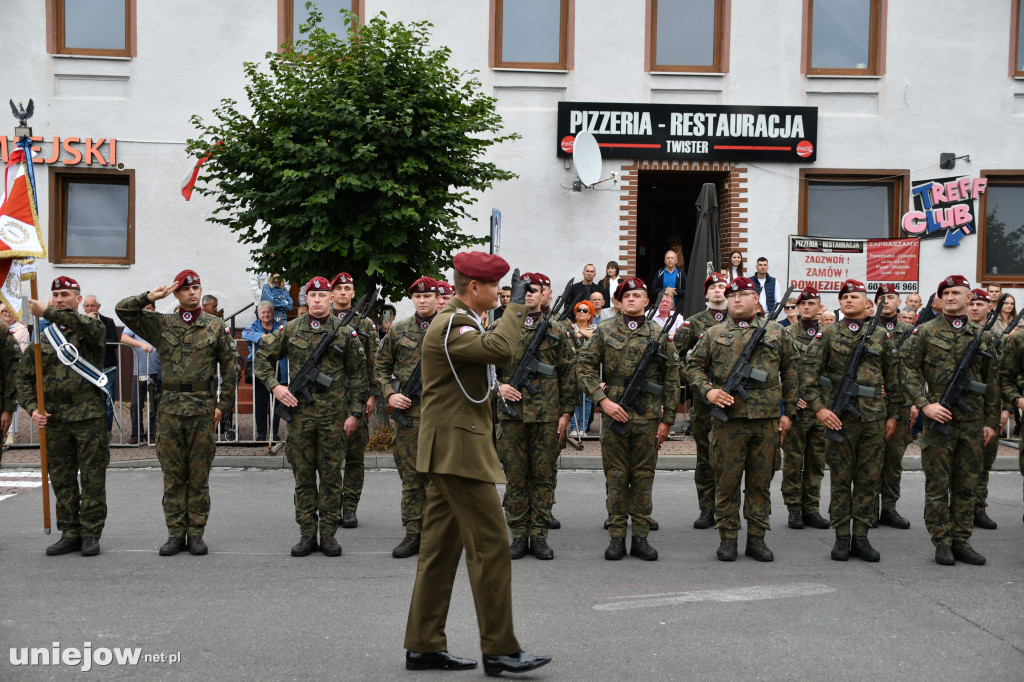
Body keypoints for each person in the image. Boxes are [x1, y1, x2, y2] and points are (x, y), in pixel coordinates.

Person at [403, 252, 549, 676]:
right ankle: (500, 649)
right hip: (458, 452)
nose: (500, 293)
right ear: (474, 289)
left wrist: (506, 308)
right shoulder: (455, 324)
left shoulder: (462, 320)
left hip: (453, 448)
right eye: (496, 288)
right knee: (490, 545)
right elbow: (502, 349)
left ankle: (424, 645)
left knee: (438, 551)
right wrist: (517, 307)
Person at [116, 269, 238, 556]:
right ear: (176, 293)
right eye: (185, 288)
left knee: (198, 476)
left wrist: (223, 405)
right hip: (170, 410)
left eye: (196, 287)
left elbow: (231, 368)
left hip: (202, 409)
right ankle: (174, 534)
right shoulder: (162, 324)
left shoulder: (216, 326)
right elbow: (122, 310)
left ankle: (195, 534)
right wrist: (149, 296)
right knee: (172, 476)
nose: (192, 292)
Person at [686, 276, 797, 563]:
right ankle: (728, 538)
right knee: (726, 481)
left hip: (766, 420)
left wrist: (790, 413)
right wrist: (709, 391)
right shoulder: (713, 333)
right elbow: (693, 367)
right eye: (733, 295)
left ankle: (757, 539)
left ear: (756, 300)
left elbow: (792, 372)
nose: (737, 299)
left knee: (761, 482)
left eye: (744, 294)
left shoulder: (776, 332)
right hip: (728, 421)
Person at [255, 276, 366, 557]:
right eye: (312, 295)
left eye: (322, 295)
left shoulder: (345, 334)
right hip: (301, 416)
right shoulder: (290, 329)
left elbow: (357, 376)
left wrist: (354, 413)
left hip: (333, 418)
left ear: (331, 298)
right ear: (307, 299)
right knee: (303, 477)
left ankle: (328, 534)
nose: (317, 300)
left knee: (330, 478)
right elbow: (262, 359)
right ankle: (307, 534)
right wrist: (276, 386)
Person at [578, 277, 679, 561]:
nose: (632, 299)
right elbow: (583, 367)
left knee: (644, 477)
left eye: (638, 295)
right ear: (619, 302)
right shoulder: (605, 331)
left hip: (647, 418)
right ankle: (616, 537)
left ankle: (641, 538)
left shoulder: (658, 334)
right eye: (627, 296)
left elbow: (672, 377)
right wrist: (603, 402)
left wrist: (667, 420)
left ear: (648, 302)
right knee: (617, 477)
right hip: (615, 417)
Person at [902, 275, 998, 566]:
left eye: (957, 292)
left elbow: (992, 382)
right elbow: (906, 370)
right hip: (939, 421)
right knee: (938, 486)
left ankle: (962, 540)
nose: (951, 296)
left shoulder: (984, 336)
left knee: (967, 485)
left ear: (970, 298)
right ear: (939, 299)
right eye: (946, 292)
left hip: (972, 422)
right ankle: (942, 542)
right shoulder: (925, 332)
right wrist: (925, 404)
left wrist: (991, 422)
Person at [803, 280, 899, 562]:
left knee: (869, 480)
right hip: (840, 420)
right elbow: (807, 379)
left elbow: (895, 381)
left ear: (866, 302)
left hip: (873, 420)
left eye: (854, 296)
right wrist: (820, 410)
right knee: (842, 480)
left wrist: (894, 415)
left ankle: (862, 537)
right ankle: (842, 537)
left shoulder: (881, 336)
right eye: (844, 296)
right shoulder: (828, 334)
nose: (848, 300)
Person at [18, 277, 103, 556]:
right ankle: (70, 532)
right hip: (54, 418)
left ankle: (91, 534)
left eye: (65, 294)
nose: (58, 299)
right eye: (54, 295)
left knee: (92, 478)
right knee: (62, 478)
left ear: (79, 299)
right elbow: (25, 379)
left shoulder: (92, 328)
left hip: (87, 415)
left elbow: (90, 327)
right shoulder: (42, 338)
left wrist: (46, 313)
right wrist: (32, 409)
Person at [496, 272, 575, 561]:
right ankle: (518, 535)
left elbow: (568, 373)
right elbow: (482, 370)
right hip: (511, 416)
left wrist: (566, 413)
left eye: (536, 290)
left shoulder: (557, 330)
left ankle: (539, 535)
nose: (529, 294)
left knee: (543, 478)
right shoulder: (499, 328)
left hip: (546, 417)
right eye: (524, 290)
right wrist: (498, 387)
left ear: (545, 294)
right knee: (515, 477)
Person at [374, 276, 440, 558]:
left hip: (442, 417)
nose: (422, 300)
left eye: (428, 296)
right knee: (412, 478)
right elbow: (379, 366)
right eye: (417, 296)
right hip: (409, 417)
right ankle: (413, 533)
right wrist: (389, 394)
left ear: (438, 298)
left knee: (441, 480)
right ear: (412, 299)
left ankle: (438, 536)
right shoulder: (398, 330)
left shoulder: (452, 329)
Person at [674, 272, 729, 530]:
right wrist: (700, 383)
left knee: (730, 459)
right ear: (706, 294)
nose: (718, 291)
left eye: (722, 286)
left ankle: (727, 510)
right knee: (706, 459)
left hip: (734, 401)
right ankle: (707, 509)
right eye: (713, 287)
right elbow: (676, 358)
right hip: (704, 402)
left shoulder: (740, 321)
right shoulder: (693, 324)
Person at [779, 286, 830, 531]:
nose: (808, 307)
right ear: (797, 308)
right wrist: (792, 397)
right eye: (803, 304)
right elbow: (781, 371)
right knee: (793, 460)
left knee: (816, 461)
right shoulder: (786, 334)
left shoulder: (829, 335)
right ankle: (794, 509)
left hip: (821, 409)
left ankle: (812, 507)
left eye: (812, 304)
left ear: (820, 308)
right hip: (798, 410)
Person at [330, 272, 377, 528]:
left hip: (357, 399)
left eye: (348, 288)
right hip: (328, 402)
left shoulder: (366, 323)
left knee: (355, 459)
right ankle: (331, 506)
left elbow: (374, 363)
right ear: (332, 293)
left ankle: (349, 508)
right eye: (339, 288)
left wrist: (371, 396)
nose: (344, 293)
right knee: (330, 458)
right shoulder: (322, 320)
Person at [874, 284, 914, 530]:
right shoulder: (868, 329)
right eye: (881, 298)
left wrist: (916, 401)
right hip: (872, 403)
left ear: (899, 301)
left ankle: (889, 508)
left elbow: (916, 369)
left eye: (890, 297)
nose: (885, 301)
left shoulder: (910, 331)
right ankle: (868, 508)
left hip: (901, 402)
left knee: (894, 459)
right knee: (869, 459)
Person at [966, 289, 1006, 531]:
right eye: (972, 303)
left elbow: (1001, 378)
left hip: (987, 408)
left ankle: (978, 508)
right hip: (963, 410)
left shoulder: (994, 338)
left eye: (980, 304)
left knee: (984, 463)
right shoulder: (958, 333)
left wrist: (1006, 410)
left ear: (989, 308)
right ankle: (961, 509)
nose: (974, 308)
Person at [241, 301, 286, 441]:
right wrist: (262, 336)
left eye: (269, 312)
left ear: (273, 313)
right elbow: (245, 334)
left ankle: (274, 433)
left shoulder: (280, 327)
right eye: (263, 312)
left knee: (275, 403)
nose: (266, 315)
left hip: (278, 369)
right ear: (259, 314)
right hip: (259, 370)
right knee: (260, 403)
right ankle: (261, 434)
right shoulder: (254, 326)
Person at [120, 305, 163, 445]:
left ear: (154, 308)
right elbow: (124, 338)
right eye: (144, 307)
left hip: (158, 371)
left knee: (155, 405)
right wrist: (140, 344)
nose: (146, 310)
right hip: (139, 371)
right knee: (135, 405)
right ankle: (137, 434)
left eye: (149, 307)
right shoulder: (135, 323)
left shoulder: (158, 321)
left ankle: (153, 433)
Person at [83, 295, 118, 432]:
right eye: (87, 306)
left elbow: (113, 342)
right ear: (83, 307)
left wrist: (95, 342)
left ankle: (106, 432)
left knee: (108, 403)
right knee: (89, 401)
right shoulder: (80, 322)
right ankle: (91, 431)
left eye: (92, 305)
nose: (90, 308)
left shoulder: (108, 322)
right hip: (88, 369)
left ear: (98, 307)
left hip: (108, 368)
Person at [569, 299, 597, 437]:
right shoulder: (569, 326)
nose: (581, 312)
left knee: (586, 398)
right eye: (579, 310)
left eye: (585, 310)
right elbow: (568, 338)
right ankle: (574, 427)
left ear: (590, 314)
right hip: (572, 367)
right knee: (574, 397)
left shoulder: (594, 328)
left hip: (588, 368)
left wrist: (579, 332)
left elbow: (594, 338)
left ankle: (582, 428)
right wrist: (581, 333)